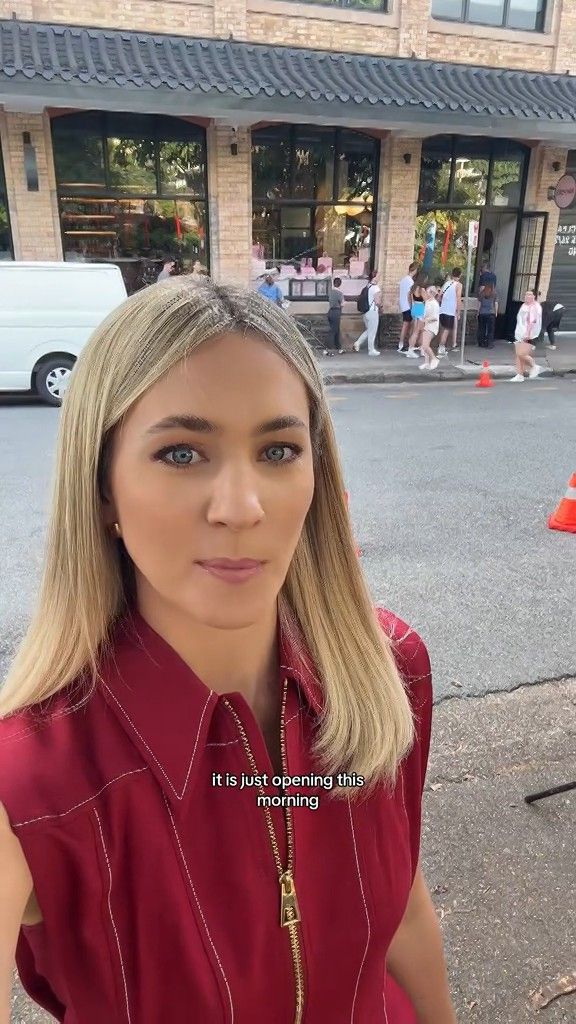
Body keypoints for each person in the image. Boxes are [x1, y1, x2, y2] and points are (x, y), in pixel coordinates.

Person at [0, 279, 457, 1024]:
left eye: (279, 450)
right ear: (102, 487)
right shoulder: (28, 779)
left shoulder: (387, 667)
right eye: (181, 453)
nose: (243, 508)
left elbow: (402, 910)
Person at [510, 290, 544, 382]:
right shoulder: (524, 305)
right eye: (526, 294)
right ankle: (519, 375)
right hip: (520, 333)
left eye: (530, 294)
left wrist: (527, 333)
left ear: (534, 296)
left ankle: (534, 366)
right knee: (518, 355)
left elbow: (532, 321)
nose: (527, 296)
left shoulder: (534, 306)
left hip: (529, 335)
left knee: (522, 354)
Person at [353, 269, 382, 356]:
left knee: (369, 330)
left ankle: (357, 343)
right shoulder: (376, 288)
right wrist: (381, 307)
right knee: (372, 331)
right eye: (379, 276)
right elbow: (377, 302)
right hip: (373, 311)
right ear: (375, 277)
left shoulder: (368, 286)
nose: (379, 277)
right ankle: (371, 349)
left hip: (366, 311)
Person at [437, 268, 462, 357]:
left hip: (442, 309)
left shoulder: (447, 283)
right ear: (460, 275)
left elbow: (439, 296)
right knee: (447, 329)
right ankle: (441, 347)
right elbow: (458, 299)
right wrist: (458, 312)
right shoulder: (458, 285)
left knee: (443, 328)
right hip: (450, 310)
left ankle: (441, 346)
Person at [404, 272, 428, 358]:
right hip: (421, 309)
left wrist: (411, 307)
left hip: (415, 308)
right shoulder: (422, 290)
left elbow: (408, 298)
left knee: (418, 330)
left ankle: (420, 350)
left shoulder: (413, 288)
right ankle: (411, 350)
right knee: (418, 331)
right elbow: (427, 301)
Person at [398, 261, 418, 353]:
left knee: (406, 325)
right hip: (408, 305)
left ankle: (403, 344)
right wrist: (411, 306)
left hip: (403, 304)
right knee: (407, 325)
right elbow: (409, 295)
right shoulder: (410, 281)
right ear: (415, 270)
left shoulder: (403, 280)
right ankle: (403, 344)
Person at [420, 285, 440, 371]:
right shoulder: (428, 302)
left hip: (431, 326)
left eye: (427, 292)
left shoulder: (434, 304)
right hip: (427, 325)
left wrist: (425, 320)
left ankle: (434, 359)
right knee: (424, 345)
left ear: (431, 293)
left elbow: (435, 317)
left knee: (425, 345)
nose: (426, 293)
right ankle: (426, 363)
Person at [323, 276, 345, 356]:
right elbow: (342, 304)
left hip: (330, 311)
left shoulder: (331, 292)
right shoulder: (340, 293)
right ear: (340, 284)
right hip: (336, 312)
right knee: (333, 331)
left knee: (336, 330)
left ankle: (339, 348)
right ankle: (326, 349)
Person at [477, 284, 499, 348]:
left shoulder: (482, 293)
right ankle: (489, 344)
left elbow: (479, 303)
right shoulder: (494, 294)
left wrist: (478, 312)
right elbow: (496, 303)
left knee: (482, 328)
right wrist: (496, 312)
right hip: (491, 313)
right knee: (490, 330)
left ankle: (481, 343)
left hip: (482, 313)